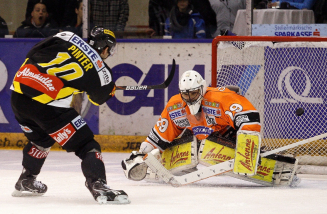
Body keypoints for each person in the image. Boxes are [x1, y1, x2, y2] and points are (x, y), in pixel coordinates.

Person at [10, 26, 130, 204]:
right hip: (46, 105)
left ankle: (26, 180)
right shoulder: (102, 72)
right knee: (87, 145)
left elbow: (33, 51)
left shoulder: (67, 36)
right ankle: (98, 184)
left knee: (41, 139)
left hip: (18, 94)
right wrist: (109, 91)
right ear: (106, 49)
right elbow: (97, 100)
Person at [121, 70, 301, 187]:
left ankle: (275, 166)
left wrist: (247, 149)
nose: (190, 98)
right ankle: (158, 164)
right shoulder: (175, 105)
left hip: (226, 139)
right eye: (186, 93)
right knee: (192, 146)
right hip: (196, 144)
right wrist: (141, 153)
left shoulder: (220, 97)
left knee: (206, 147)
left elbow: (250, 118)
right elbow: (159, 136)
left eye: (194, 93)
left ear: (202, 89)